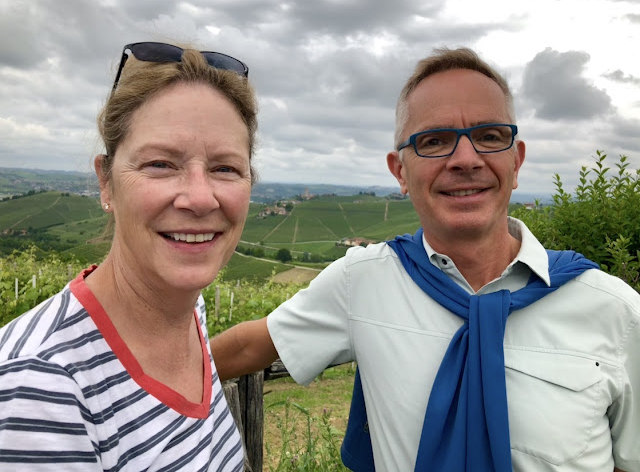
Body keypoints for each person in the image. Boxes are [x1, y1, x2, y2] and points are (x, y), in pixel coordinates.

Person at [211, 47, 639, 472]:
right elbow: (249, 346)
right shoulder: (363, 281)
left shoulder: (616, 312)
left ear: (516, 160)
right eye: (434, 141)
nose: (466, 159)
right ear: (400, 171)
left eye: (490, 136)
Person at [0, 42, 257, 470]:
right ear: (106, 182)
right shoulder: (38, 387)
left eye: (225, 168)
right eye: (160, 164)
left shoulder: (188, 312)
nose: (199, 198)